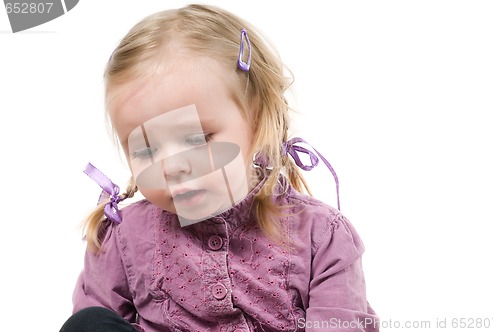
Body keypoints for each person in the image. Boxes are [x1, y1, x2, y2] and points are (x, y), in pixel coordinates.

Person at [60, 4, 378, 332]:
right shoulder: (124, 239)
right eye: (147, 148)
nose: (172, 167)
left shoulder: (320, 235)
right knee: (88, 324)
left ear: (256, 121)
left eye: (198, 138)